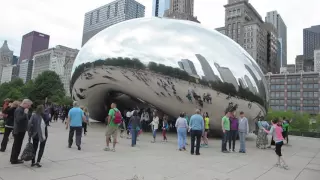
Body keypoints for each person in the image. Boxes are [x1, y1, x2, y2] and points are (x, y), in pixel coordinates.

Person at [10, 99, 33, 164]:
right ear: (25, 103)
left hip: (21, 130)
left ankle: (14, 158)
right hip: (18, 131)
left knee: (17, 145)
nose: (29, 107)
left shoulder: (22, 109)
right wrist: (25, 113)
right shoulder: (19, 110)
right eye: (28, 105)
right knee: (17, 146)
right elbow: (18, 120)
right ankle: (14, 160)